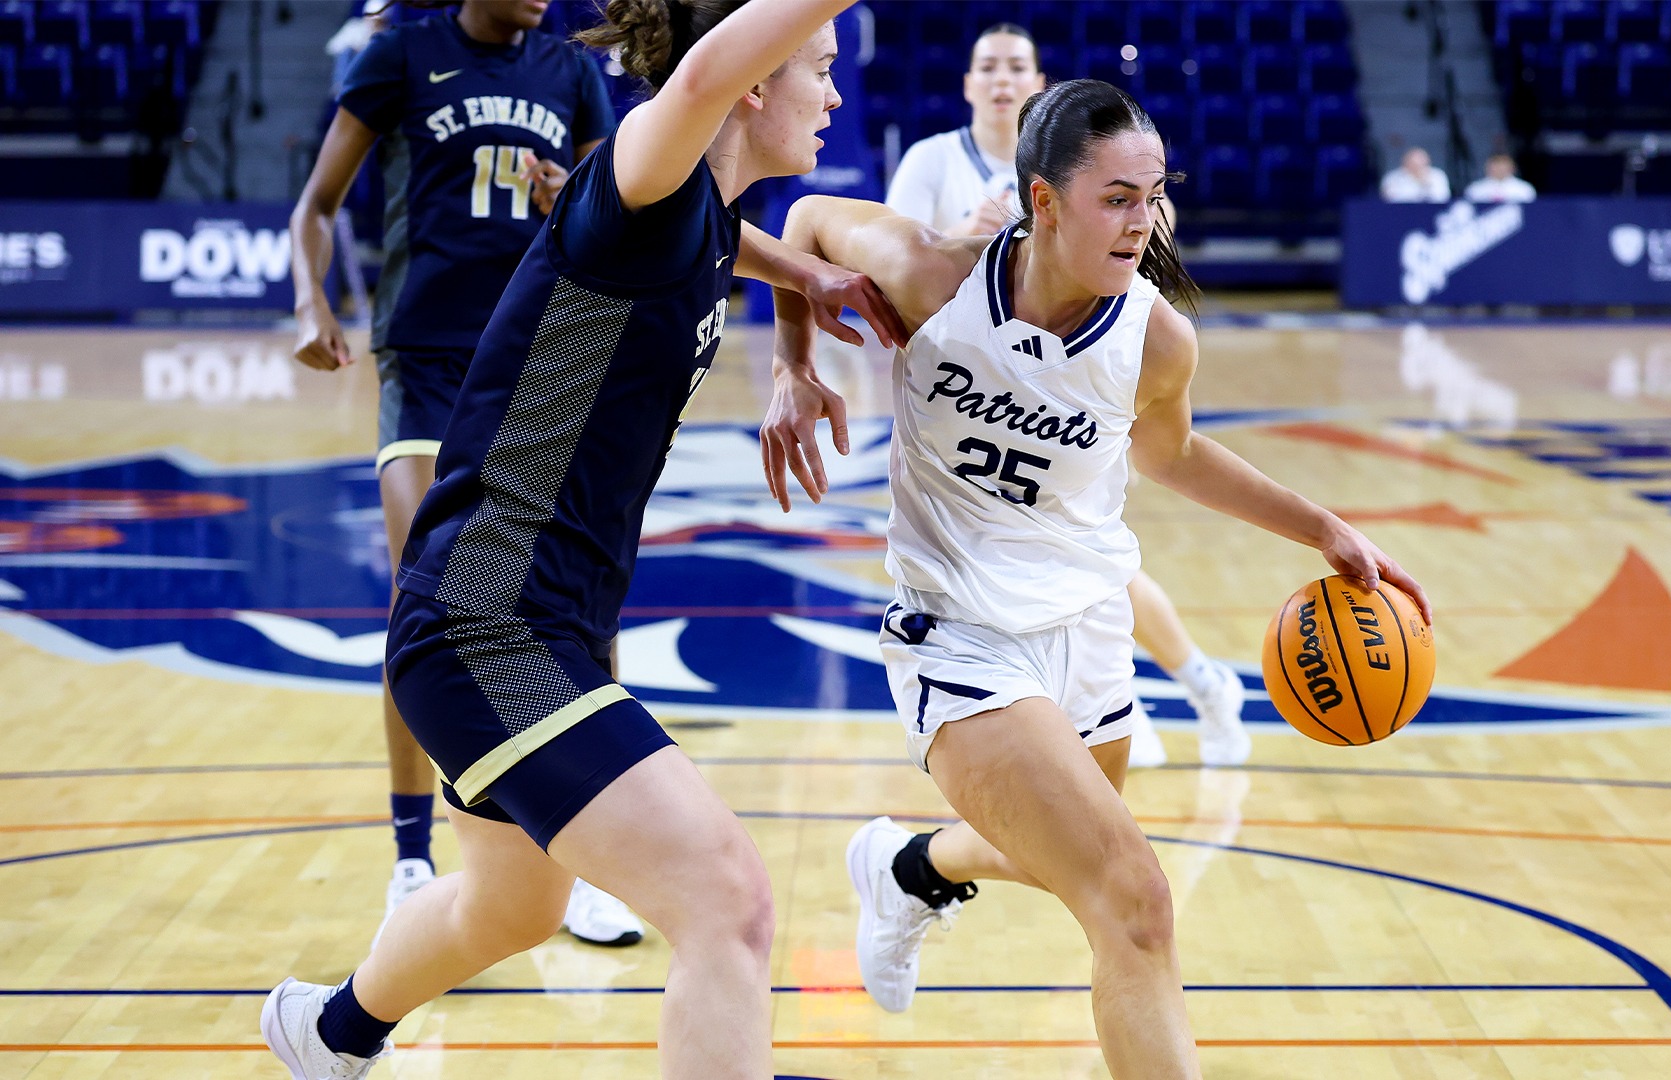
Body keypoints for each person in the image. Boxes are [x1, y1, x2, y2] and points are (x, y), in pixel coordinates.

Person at [263, 2, 907, 1077]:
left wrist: (805, 290)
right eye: (820, 68)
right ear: (751, 81)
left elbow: (750, 241)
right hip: (489, 621)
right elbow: (698, 81)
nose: (835, 94)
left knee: (513, 907)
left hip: (525, 615)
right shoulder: (642, 172)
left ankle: (328, 1035)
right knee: (729, 902)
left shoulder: (693, 212)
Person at [760, 79, 1431, 1078]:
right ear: (1042, 201)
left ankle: (908, 869)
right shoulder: (934, 276)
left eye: (1153, 196)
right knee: (1134, 902)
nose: (1143, 222)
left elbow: (1171, 457)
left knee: (1068, 867)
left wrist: (1321, 527)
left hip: (1090, 624)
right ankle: (911, 873)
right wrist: (791, 359)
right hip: (961, 636)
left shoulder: (1156, 337)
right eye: (1117, 197)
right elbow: (806, 219)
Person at [288, 0, 646, 946]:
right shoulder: (401, 57)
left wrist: (566, 193)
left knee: (574, 609)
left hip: (539, 348)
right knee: (425, 599)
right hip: (428, 354)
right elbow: (316, 206)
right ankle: (414, 857)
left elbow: (612, 194)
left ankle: (583, 859)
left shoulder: (569, 70)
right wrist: (309, 300)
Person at [884, 21, 1249, 768]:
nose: (1001, 78)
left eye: (1016, 65)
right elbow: (899, 249)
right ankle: (1143, 694)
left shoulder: (1091, 162)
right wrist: (975, 234)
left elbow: (1152, 230)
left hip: (1072, 404)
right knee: (1032, 564)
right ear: (967, 83)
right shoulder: (934, 161)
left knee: (1087, 557)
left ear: (1038, 82)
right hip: (966, 392)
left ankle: (1185, 683)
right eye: (986, 65)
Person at [1379, 146, 1449, 203]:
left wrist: (1424, 182)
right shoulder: (1392, 178)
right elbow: (1390, 199)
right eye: (1413, 163)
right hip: (1399, 214)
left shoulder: (1438, 175)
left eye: (1421, 161)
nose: (1417, 166)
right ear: (1405, 162)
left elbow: (1442, 197)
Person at [1463, 152, 1536, 203]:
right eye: (1496, 163)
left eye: (1503, 164)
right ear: (1487, 166)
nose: (1500, 168)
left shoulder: (1524, 189)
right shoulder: (1475, 189)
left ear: (1513, 167)